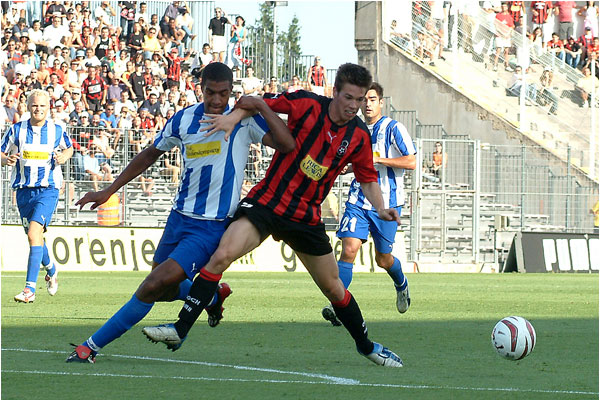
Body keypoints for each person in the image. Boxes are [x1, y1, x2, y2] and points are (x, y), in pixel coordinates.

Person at [143, 63, 405, 368]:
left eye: (359, 100)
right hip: (267, 204)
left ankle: (367, 346)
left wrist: (381, 206)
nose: (353, 106)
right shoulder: (305, 103)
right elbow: (253, 102)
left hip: (306, 217)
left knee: (334, 288)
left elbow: (368, 177)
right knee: (222, 254)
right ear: (334, 92)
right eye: (348, 97)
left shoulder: (359, 136)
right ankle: (180, 328)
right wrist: (232, 118)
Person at [65, 62, 294, 364]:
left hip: (211, 227)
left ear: (231, 91)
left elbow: (287, 145)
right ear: (201, 89)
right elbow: (150, 153)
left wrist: (261, 106)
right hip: (178, 219)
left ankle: (90, 346)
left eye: (223, 94)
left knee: (152, 285)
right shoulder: (184, 119)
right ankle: (211, 296)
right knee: (164, 288)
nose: (216, 100)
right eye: (210, 92)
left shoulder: (244, 121)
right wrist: (109, 190)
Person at [320, 82, 416, 327]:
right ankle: (338, 306)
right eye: (364, 100)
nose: (368, 104)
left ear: (381, 102)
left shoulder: (393, 128)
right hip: (359, 199)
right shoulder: (355, 129)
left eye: (372, 99)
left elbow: (411, 162)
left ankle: (401, 283)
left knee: (383, 259)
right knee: (349, 249)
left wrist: (378, 159)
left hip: (388, 203)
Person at [0, 89, 73, 303]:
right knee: (35, 238)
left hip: (48, 189)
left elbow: (69, 149)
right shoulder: (16, 130)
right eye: (34, 105)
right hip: (23, 191)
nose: (38, 109)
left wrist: (63, 157)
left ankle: (29, 290)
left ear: (48, 107)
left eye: (42, 105)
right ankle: (51, 268)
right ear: (29, 107)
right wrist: (6, 160)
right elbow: (1, 152)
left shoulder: (57, 130)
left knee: (34, 233)